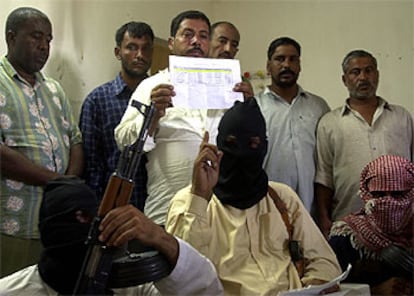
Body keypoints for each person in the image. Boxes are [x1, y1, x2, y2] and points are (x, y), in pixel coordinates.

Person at [165, 99, 342, 295]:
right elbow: (182, 273)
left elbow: (324, 259)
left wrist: (314, 283)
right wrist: (199, 196)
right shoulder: (189, 202)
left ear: (264, 147)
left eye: (253, 144)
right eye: (231, 143)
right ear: (219, 146)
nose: (242, 152)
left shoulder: (281, 198)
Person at [115, 10, 252, 225]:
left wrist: (249, 108)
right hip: (167, 212)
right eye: (188, 34)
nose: (196, 41)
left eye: (203, 36)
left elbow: (249, 146)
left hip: (221, 214)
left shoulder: (229, 86)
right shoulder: (151, 85)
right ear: (171, 42)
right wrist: (152, 116)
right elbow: (123, 140)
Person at [0, 178, 223, 295]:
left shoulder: (129, 286)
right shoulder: (11, 291)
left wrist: (159, 236)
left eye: (88, 218)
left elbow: (207, 291)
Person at [0, 7, 83, 277]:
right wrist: (56, 181)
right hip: (14, 225)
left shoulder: (54, 90)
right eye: (36, 37)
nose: (44, 46)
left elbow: (75, 140)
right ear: (11, 38)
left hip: (57, 224)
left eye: (48, 39)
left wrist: (66, 187)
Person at [315, 49, 413, 238]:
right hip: (349, 223)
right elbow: (324, 178)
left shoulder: (402, 117)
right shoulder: (329, 123)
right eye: (355, 72)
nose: (363, 77)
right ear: (345, 80)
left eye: (369, 70)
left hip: (403, 224)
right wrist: (324, 218)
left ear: (377, 75)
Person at [79, 22, 153, 210]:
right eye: (131, 47)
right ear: (118, 52)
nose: (139, 55)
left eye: (146, 48)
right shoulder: (97, 101)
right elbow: (91, 166)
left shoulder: (165, 98)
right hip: (115, 207)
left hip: (159, 207)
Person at [255, 37, 330, 213]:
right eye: (280, 59)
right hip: (267, 207)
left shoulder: (319, 106)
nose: (286, 65)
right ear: (268, 66)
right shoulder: (255, 107)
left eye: (292, 59)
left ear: (300, 65)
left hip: (311, 208)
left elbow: (326, 161)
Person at [329, 154, 413, 295]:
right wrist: (373, 292)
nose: (388, 202)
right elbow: (327, 289)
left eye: (397, 194)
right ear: (366, 194)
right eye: (379, 195)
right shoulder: (346, 237)